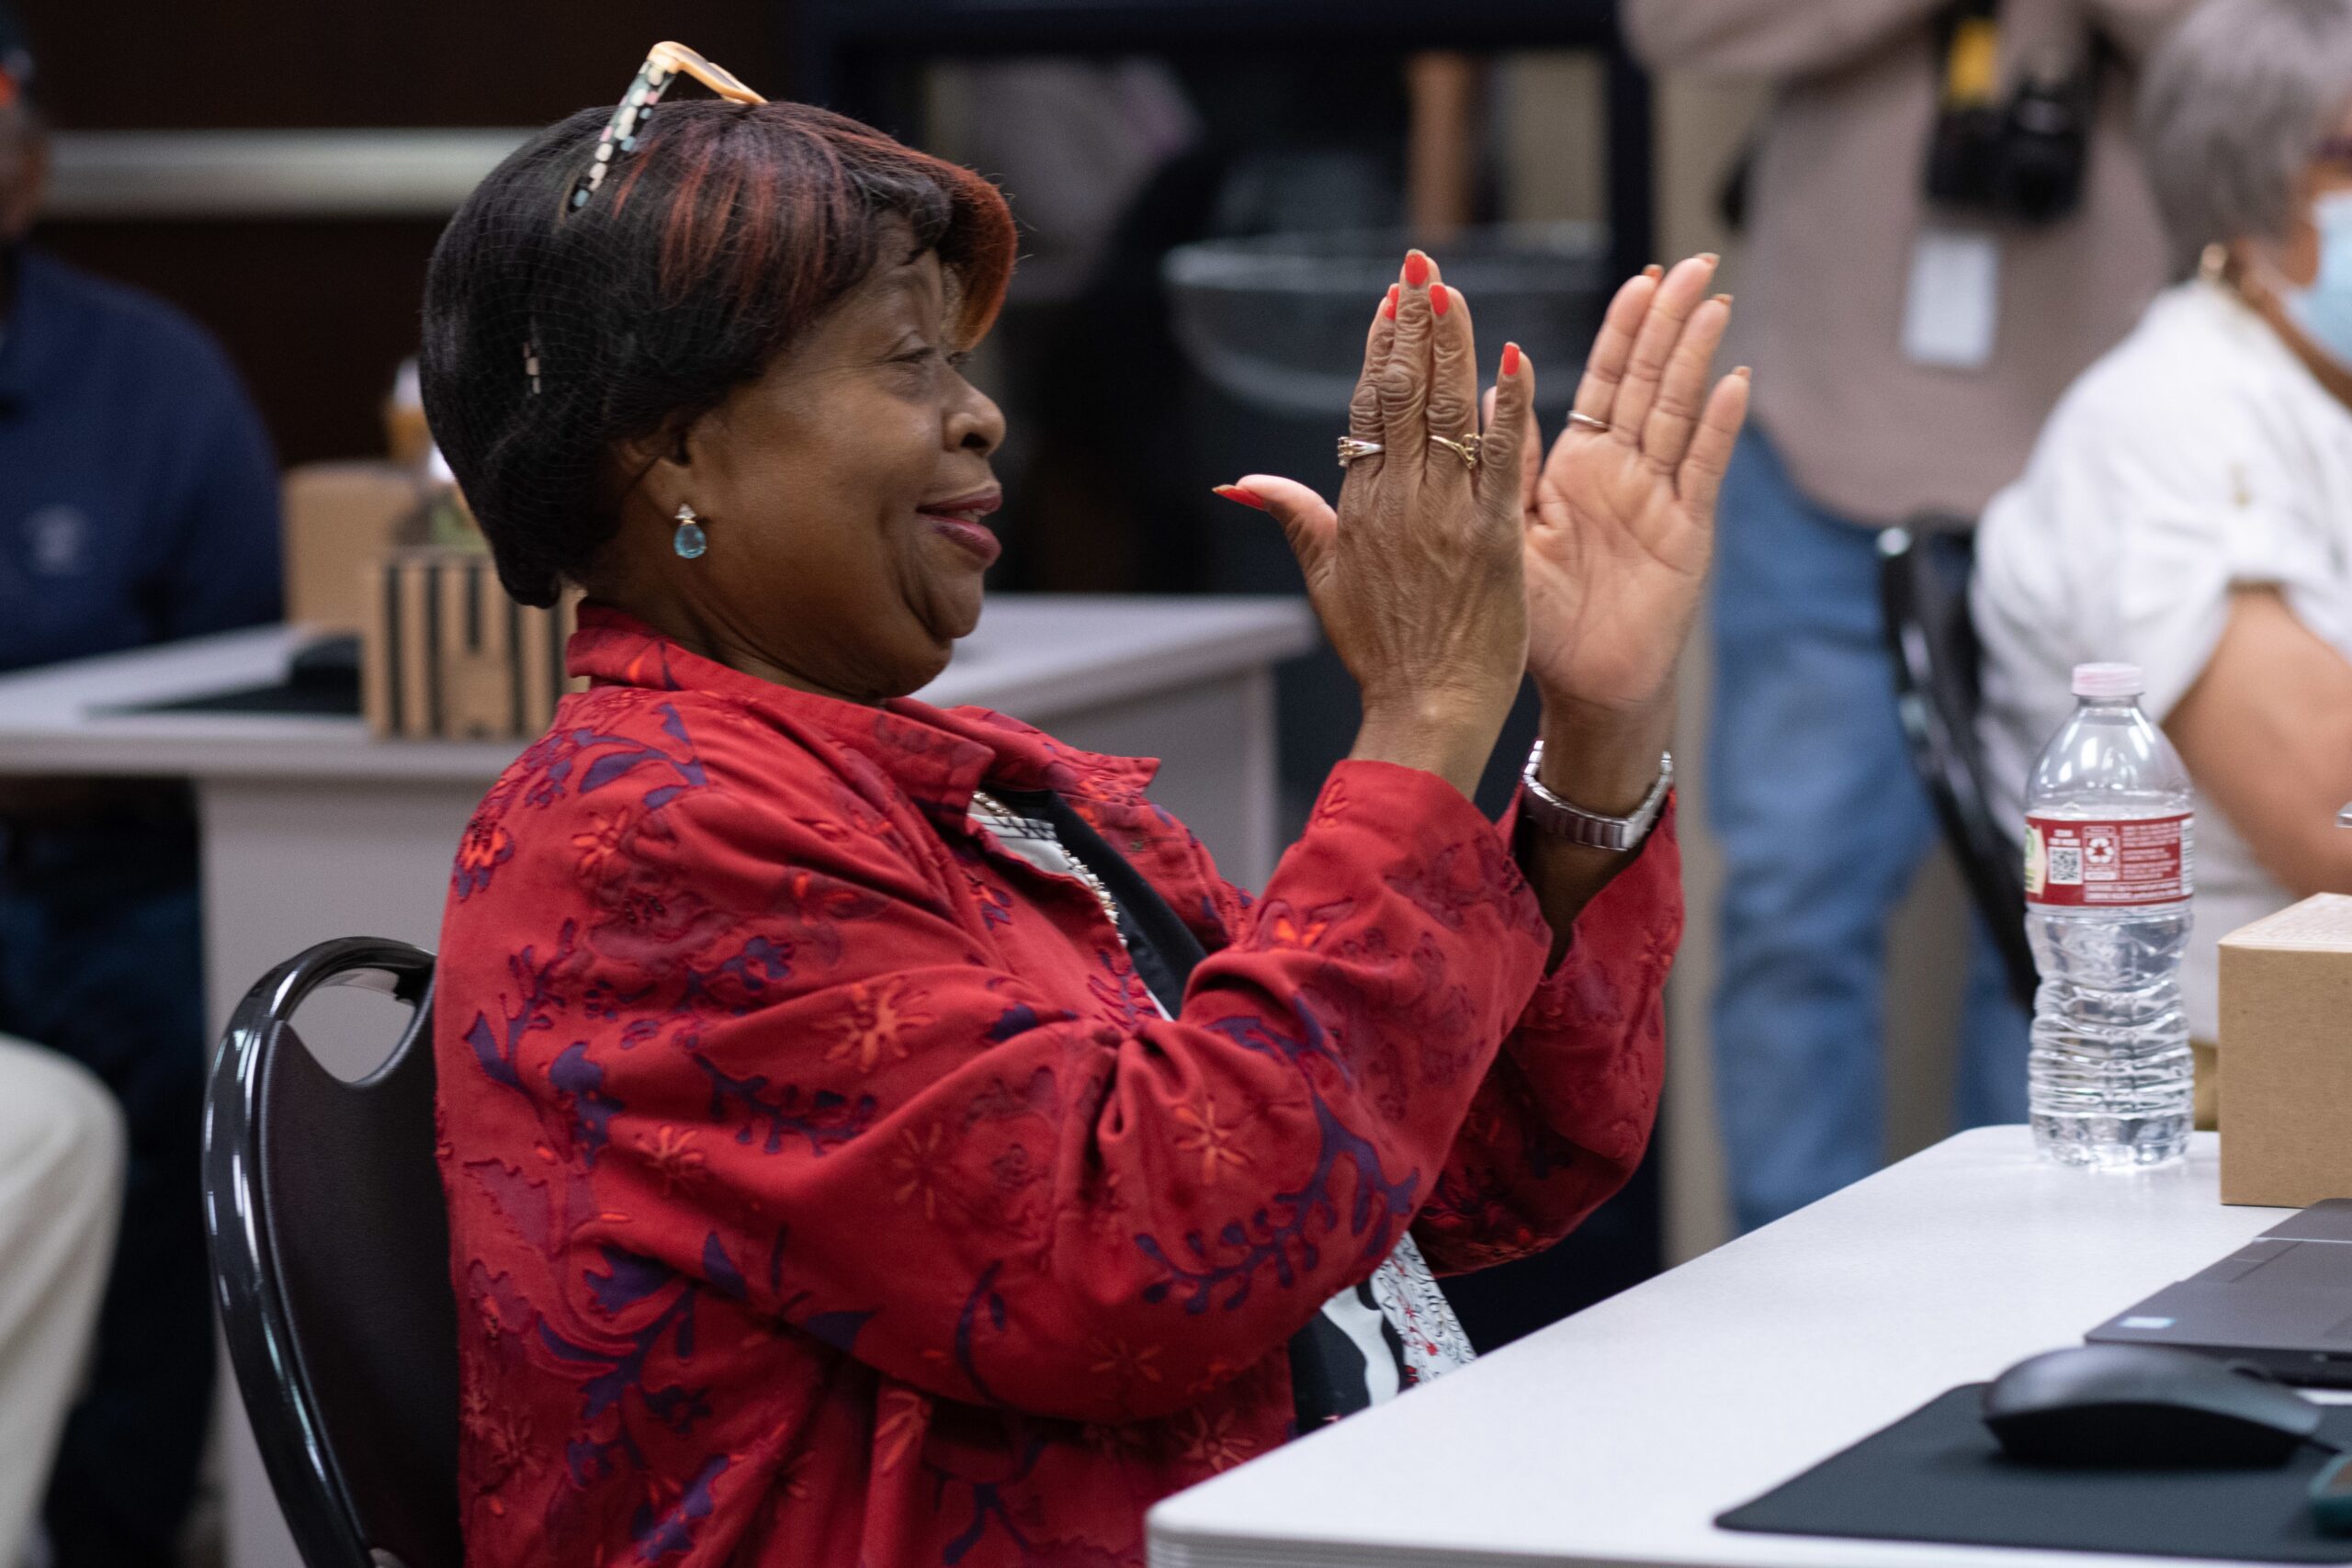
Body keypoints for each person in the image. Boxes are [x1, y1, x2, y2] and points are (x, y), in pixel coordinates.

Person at [422, 44, 1747, 1567]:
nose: (978, 417)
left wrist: (1589, 729)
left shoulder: (946, 786)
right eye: (905, 362)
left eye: (961, 362)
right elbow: (1149, 1260)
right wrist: (1429, 711)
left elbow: (1450, 1171)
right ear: (672, 448)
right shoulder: (639, 835)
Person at [1623, 0, 2194, 1232]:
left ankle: (2042, 1296)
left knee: (2075, 927)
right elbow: (1671, 26)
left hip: (2117, 443)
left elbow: (2296, 62)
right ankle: (1786, 1325)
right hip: (1823, 427)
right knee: (1792, 909)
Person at [0, 9, 285, 1562]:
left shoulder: (147, 376)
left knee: (196, 1058)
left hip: (115, 866)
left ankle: (118, 1527)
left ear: (30, 171)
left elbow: (234, 672)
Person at [1976, 0, 2352, 1123]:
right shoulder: (2168, 416)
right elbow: (2330, 809)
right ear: (2250, 187)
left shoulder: (2309, 396)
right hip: (2238, 1073)